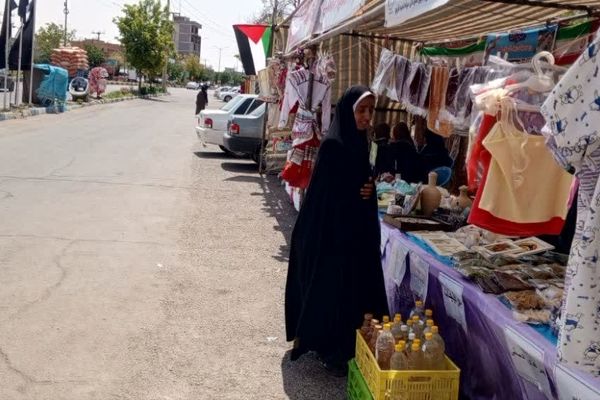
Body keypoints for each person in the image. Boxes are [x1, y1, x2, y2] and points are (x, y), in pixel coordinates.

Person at [285, 86, 389, 376]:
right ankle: (333, 349)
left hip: (354, 234)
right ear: (348, 111)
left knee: (353, 291)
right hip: (333, 235)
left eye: (371, 110)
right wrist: (357, 194)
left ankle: (349, 345)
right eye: (362, 110)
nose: (368, 116)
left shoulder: (359, 142)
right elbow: (326, 197)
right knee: (336, 292)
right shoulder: (334, 146)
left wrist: (369, 191)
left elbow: (361, 185)